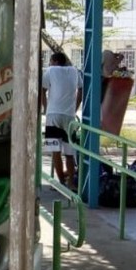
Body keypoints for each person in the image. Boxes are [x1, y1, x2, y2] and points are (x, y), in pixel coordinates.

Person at [41, 51, 82, 189]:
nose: (50, 64)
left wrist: (46, 108)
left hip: (53, 116)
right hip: (69, 117)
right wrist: (75, 108)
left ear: (55, 61)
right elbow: (81, 90)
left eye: (50, 61)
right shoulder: (74, 71)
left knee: (55, 151)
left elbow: (42, 90)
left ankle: (61, 183)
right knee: (69, 153)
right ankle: (71, 183)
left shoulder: (50, 70)